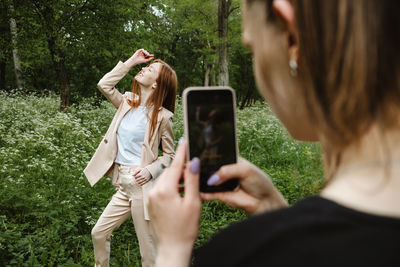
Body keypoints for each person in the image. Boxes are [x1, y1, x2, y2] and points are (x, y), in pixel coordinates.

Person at [148, 0, 400, 266]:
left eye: (253, 50)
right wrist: (278, 212)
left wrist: (172, 251)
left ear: (293, 38)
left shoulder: (243, 254)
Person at [83, 48, 177, 267]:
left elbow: (169, 156)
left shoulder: (163, 117)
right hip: (123, 184)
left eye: (150, 69)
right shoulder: (127, 102)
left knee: (148, 252)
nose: (144, 68)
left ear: (156, 84)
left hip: (141, 185)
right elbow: (104, 85)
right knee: (98, 233)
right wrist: (131, 62)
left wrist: (149, 170)